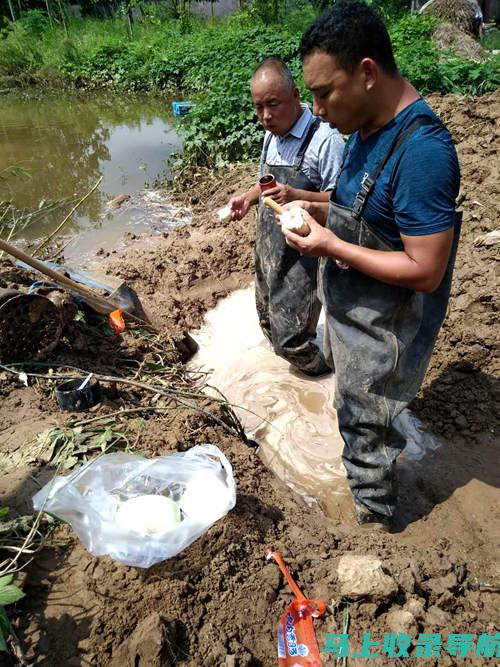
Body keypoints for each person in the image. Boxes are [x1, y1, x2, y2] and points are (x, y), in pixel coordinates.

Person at [280, 1, 461, 529]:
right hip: (354, 312)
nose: (314, 109)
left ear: (366, 74)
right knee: (354, 406)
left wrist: (329, 247)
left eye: (322, 92)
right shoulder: (363, 128)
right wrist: (307, 204)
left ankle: (377, 522)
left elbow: (425, 270)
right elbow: (360, 206)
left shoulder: (423, 151)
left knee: (368, 425)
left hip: (387, 328)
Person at [227, 58, 345, 376]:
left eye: (273, 105)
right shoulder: (272, 134)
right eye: (259, 107)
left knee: (290, 342)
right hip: (269, 250)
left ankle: (328, 374)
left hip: (305, 257)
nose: (266, 116)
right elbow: (265, 182)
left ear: (295, 95)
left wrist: (298, 195)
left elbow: (342, 203)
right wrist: (248, 199)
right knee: (266, 319)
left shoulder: (326, 140)